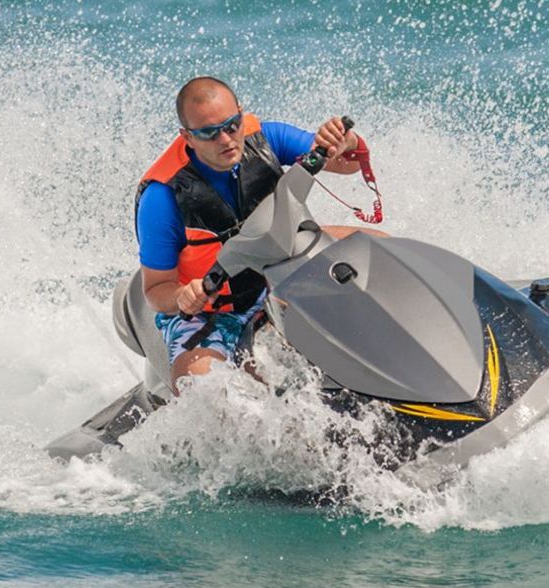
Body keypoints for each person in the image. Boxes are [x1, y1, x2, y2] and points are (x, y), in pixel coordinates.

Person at [135, 76, 379, 391]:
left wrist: (347, 142)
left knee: (384, 250)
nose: (225, 139)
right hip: (211, 311)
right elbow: (156, 290)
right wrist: (183, 296)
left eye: (231, 125)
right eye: (209, 133)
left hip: (281, 280)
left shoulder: (268, 138)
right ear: (187, 137)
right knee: (202, 388)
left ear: (240, 112)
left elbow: (347, 164)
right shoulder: (162, 198)